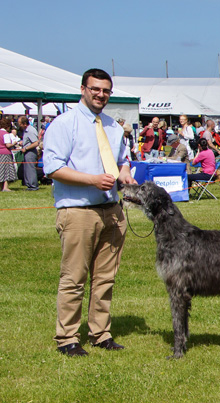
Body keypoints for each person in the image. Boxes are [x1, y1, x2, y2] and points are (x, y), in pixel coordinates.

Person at [42, 68, 138, 356]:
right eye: (95, 89)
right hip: (78, 211)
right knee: (74, 278)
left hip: (112, 210)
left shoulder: (113, 126)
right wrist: (93, 179)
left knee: (106, 278)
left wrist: (125, 174)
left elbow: (123, 161)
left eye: (106, 90)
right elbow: (53, 168)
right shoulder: (64, 124)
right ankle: (68, 338)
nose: (101, 95)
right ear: (83, 89)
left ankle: (101, 333)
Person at [18, 117, 41, 190]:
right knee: (27, 169)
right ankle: (29, 185)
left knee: (30, 169)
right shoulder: (26, 131)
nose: (19, 125)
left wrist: (26, 148)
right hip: (27, 152)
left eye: (20, 124)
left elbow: (36, 143)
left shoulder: (31, 130)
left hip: (30, 152)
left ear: (24, 124)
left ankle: (33, 186)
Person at [0, 118, 17, 191]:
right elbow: (8, 145)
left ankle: (1, 187)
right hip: (5, 154)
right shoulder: (6, 134)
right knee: (6, 170)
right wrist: (14, 143)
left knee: (1, 170)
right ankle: (5, 187)